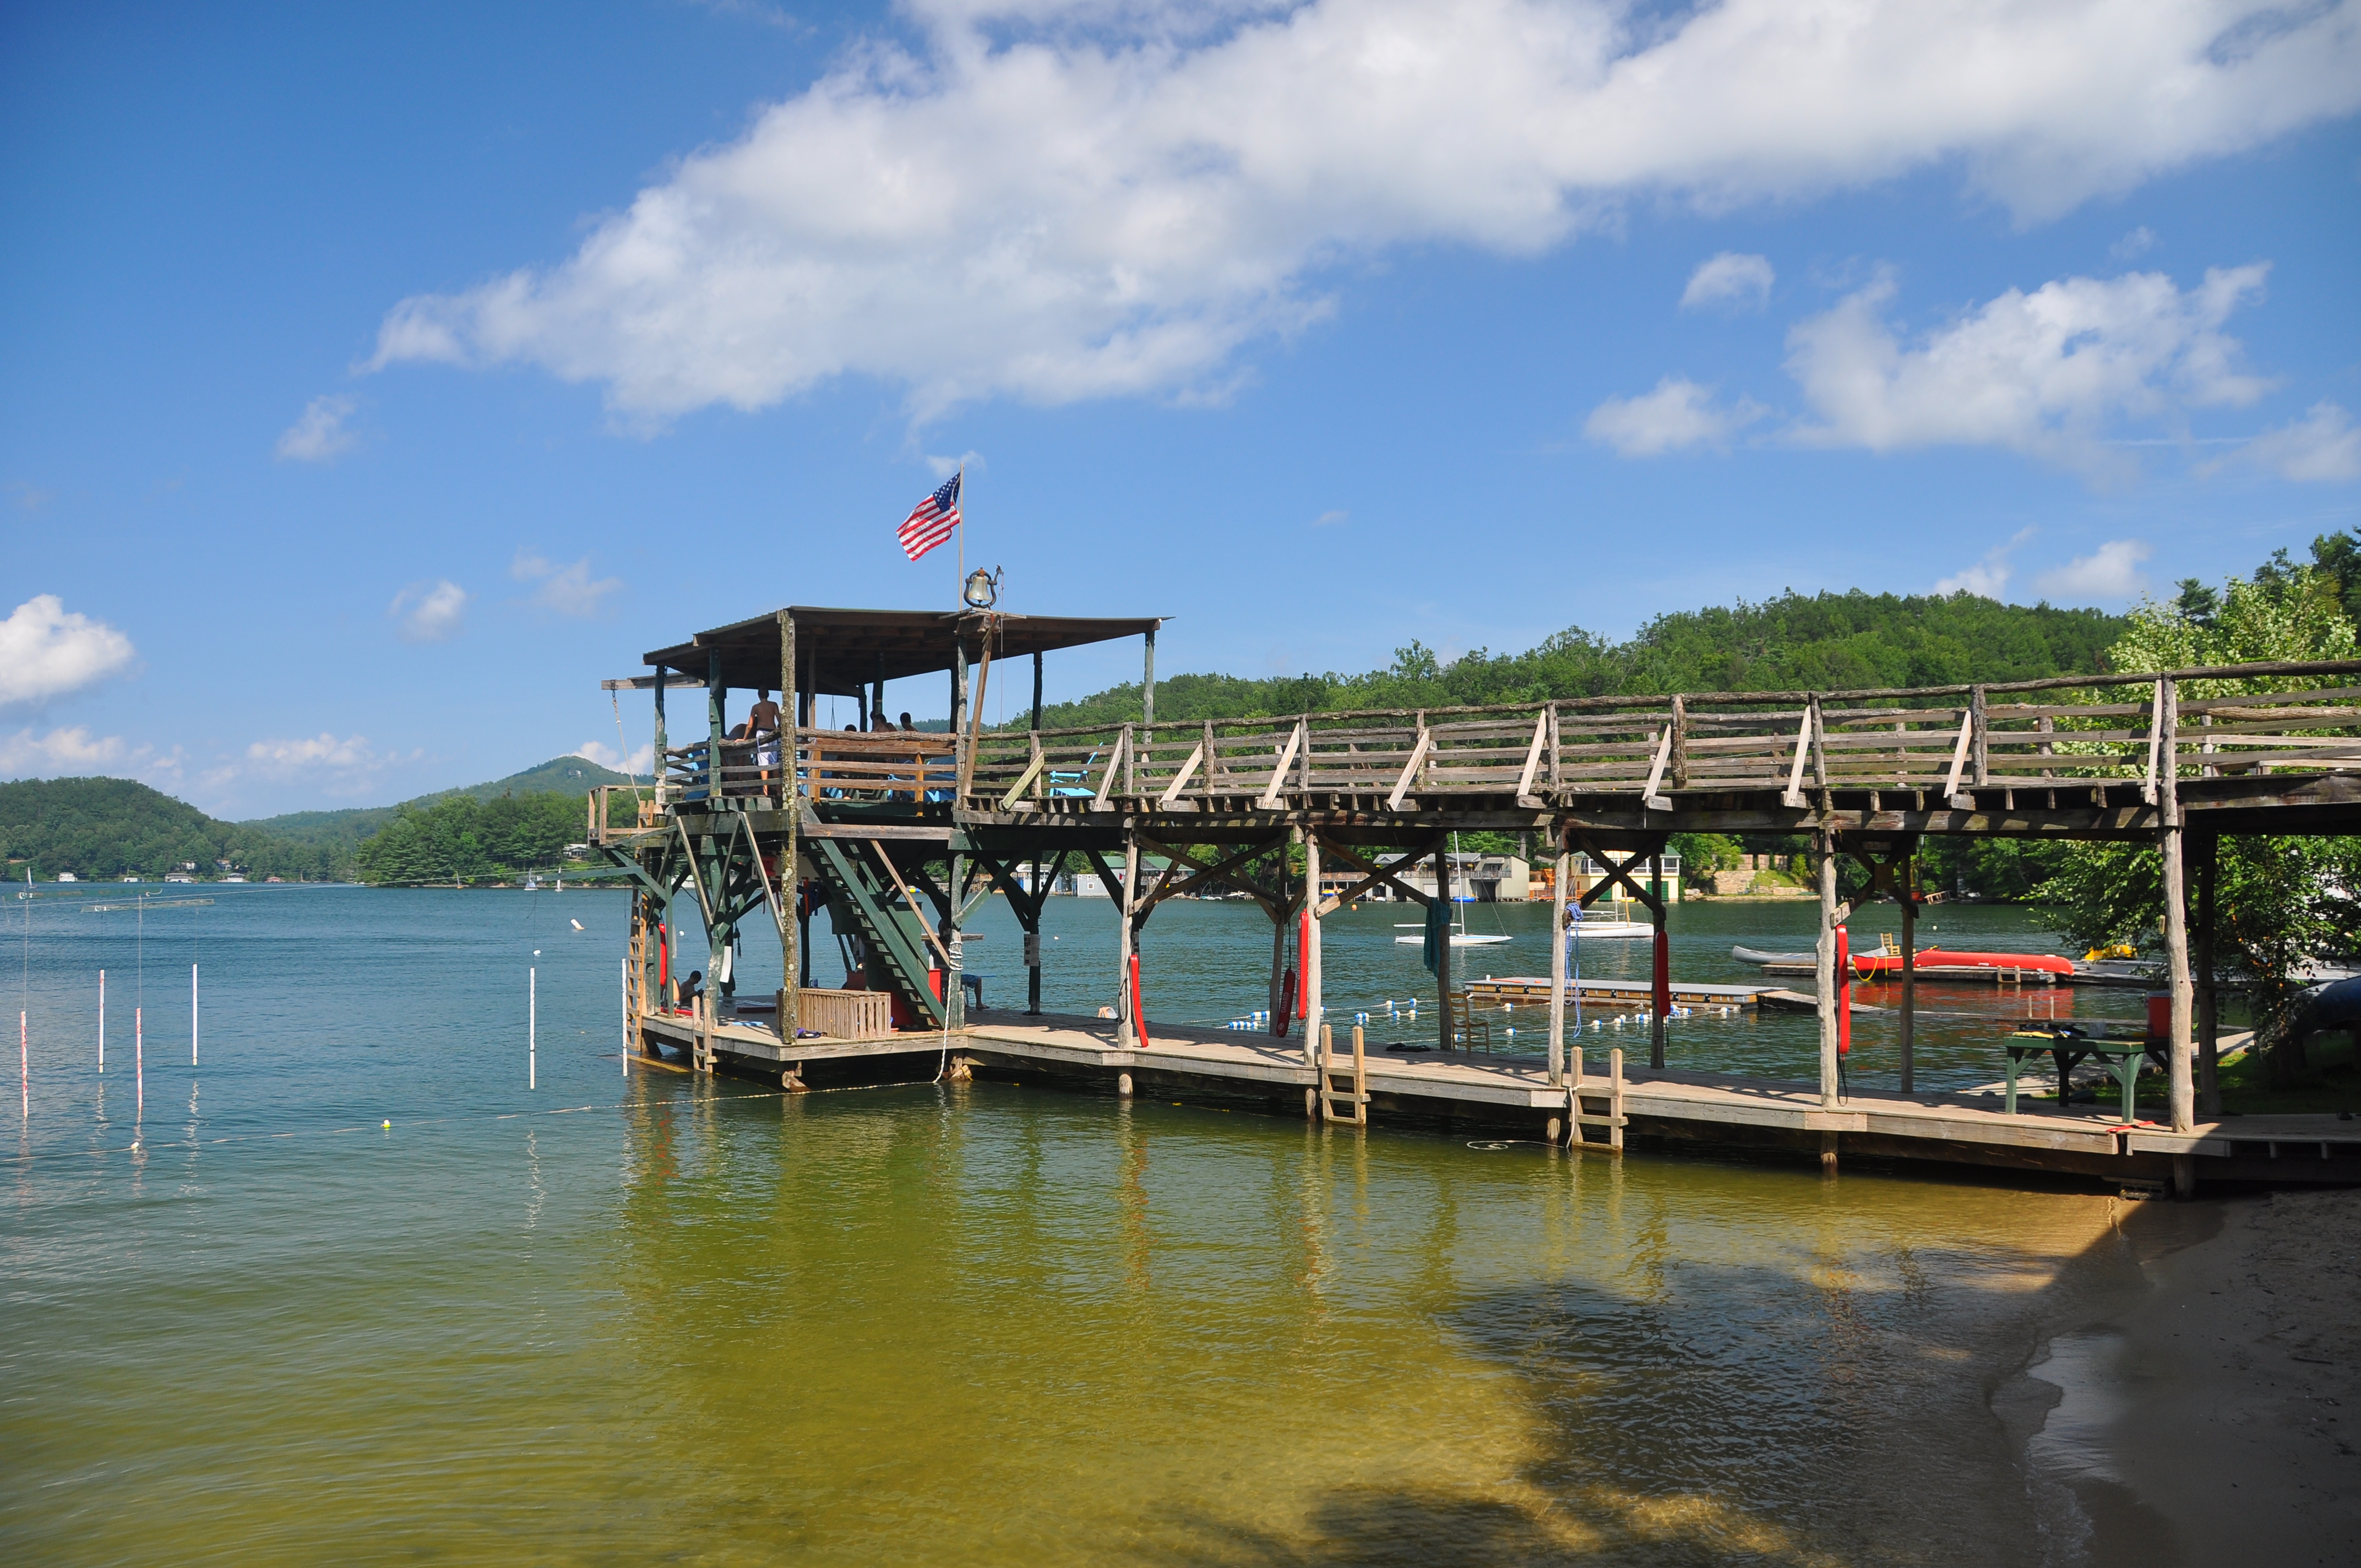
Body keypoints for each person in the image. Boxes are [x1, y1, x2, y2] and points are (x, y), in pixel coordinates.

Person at [749, 687, 782, 791]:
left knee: (763, 763)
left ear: (759, 696)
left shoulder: (756, 707)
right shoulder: (774, 705)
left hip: (761, 734)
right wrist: (778, 731)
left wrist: (744, 738)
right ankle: (779, 791)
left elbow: (750, 725)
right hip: (772, 733)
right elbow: (780, 720)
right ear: (768, 695)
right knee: (774, 762)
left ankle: (765, 791)